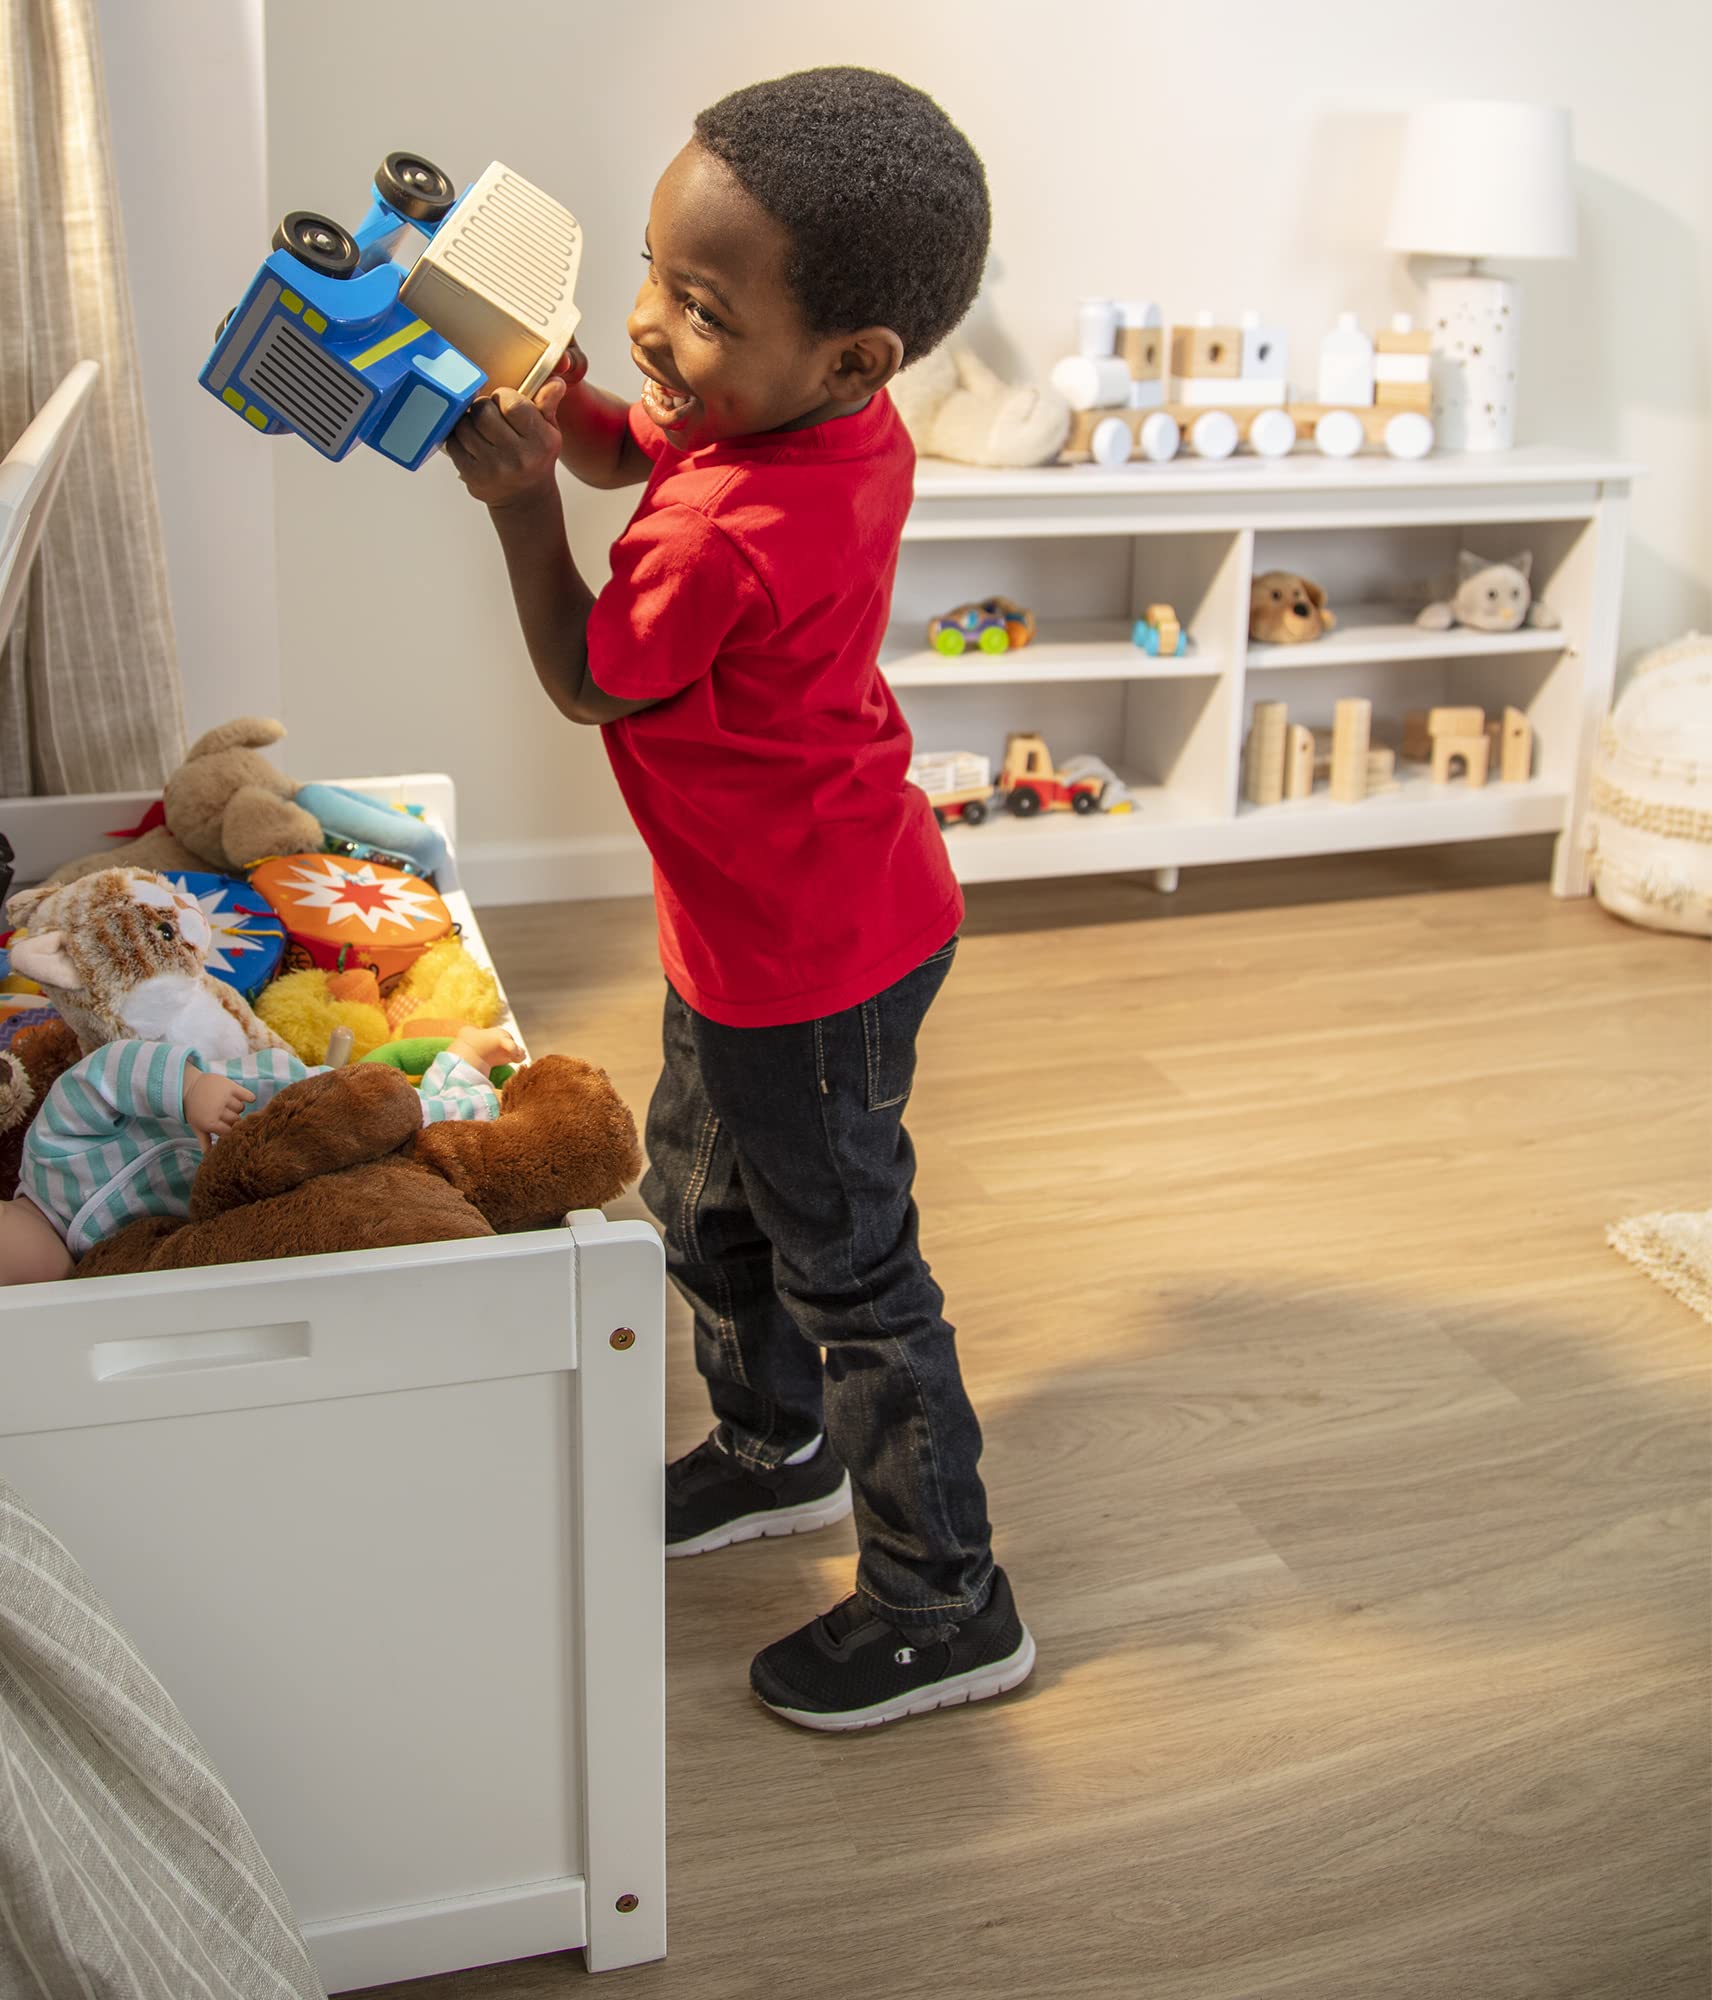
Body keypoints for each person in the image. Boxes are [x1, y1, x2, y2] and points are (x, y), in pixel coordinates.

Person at [445, 67, 1031, 1731]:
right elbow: (655, 430)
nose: (642, 325)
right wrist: (559, 402)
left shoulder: (726, 544)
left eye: (697, 309)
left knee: (855, 1274)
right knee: (701, 1202)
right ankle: (773, 1452)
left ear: (852, 358)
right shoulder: (826, 424)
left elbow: (585, 677)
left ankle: (947, 1601)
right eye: (649, 272)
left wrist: (514, 503)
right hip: (765, 923)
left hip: (813, 958)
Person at [0, 1027, 520, 1295]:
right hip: (277, 1182)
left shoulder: (49, 1159)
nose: (21, 1300)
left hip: (269, 1107)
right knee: (402, 1170)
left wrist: (189, 1088)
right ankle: (458, 1083)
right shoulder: (100, 1267)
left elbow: (103, 1073)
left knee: (412, 1122)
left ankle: (463, 1063)